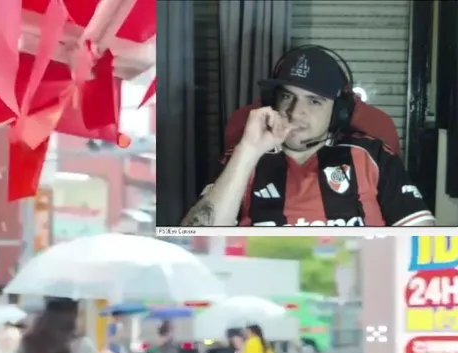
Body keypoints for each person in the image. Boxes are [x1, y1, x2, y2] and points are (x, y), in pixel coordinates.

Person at [182, 45, 435, 228]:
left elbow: (423, 241)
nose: (295, 112)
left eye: (314, 101)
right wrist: (248, 151)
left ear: (338, 112)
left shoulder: (373, 156)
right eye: (287, 96)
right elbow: (195, 240)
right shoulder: (244, 157)